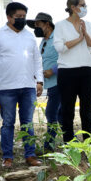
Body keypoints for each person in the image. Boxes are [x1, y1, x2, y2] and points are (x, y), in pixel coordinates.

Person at [0, 2, 43, 168]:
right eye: (18, 17)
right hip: (6, 87)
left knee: (27, 123)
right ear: (9, 17)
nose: (22, 20)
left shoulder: (29, 36)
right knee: (8, 123)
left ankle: (30, 155)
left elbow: (37, 59)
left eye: (24, 17)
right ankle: (7, 157)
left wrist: (39, 81)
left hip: (28, 86)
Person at [54, 0, 91, 142]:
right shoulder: (60, 25)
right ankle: (69, 144)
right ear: (73, 7)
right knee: (67, 111)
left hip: (88, 71)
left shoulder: (88, 24)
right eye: (82, 5)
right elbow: (60, 47)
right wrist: (78, 39)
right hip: (67, 71)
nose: (85, 8)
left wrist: (84, 33)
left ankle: (88, 145)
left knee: (86, 112)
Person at [28, 12, 63, 150]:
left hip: (60, 81)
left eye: (38, 25)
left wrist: (53, 71)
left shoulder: (58, 38)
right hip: (50, 83)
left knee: (51, 113)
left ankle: (48, 146)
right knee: (60, 114)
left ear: (47, 24)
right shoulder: (44, 41)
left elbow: (65, 57)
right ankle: (70, 143)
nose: (35, 28)